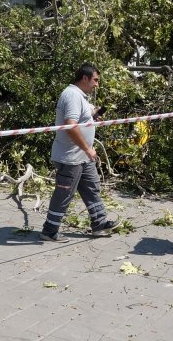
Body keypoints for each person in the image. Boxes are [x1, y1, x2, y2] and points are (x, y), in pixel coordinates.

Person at [40, 64, 120, 242]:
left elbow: (82, 117)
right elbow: (70, 125)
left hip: (83, 157)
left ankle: (99, 223)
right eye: (95, 80)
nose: (97, 84)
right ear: (85, 78)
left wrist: (93, 115)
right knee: (64, 193)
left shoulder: (81, 97)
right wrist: (87, 148)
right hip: (70, 157)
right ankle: (49, 230)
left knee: (92, 187)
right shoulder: (72, 95)